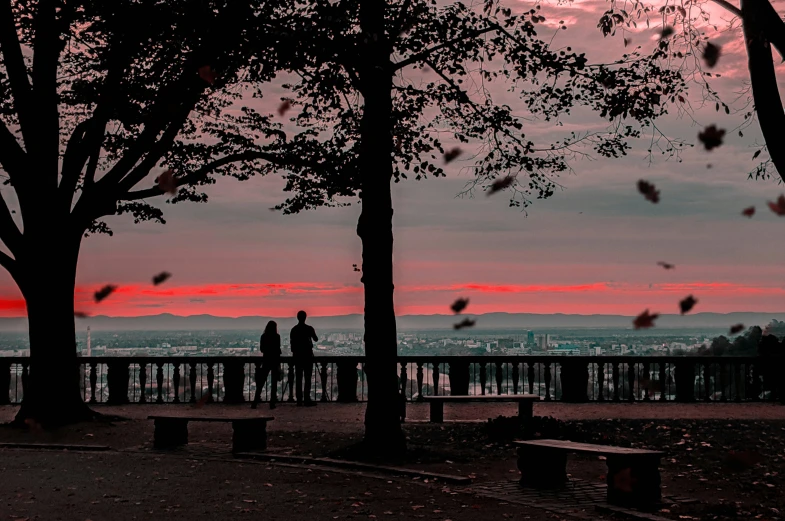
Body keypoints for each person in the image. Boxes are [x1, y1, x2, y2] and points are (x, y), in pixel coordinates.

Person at [290, 310, 318, 406]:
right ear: (305, 317)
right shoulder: (309, 329)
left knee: (298, 378)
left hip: (297, 357)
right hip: (307, 356)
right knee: (307, 378)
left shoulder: (294, 329)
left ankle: (299, 399)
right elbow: (316, 339)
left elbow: (292, 346)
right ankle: (306, 398)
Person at [251, 320, 281, 409]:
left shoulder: (263, 336)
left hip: (266, 360)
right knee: (274, 383)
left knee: (261, 382)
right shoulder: (277, 336)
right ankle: (272, 403)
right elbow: (277, 349)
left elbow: (262, 349)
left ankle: (255, 402)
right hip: (274, 361)